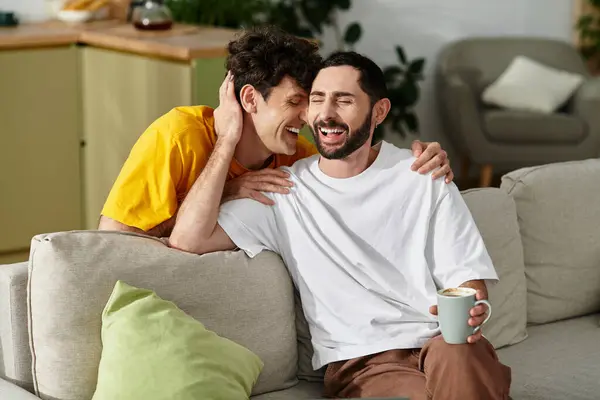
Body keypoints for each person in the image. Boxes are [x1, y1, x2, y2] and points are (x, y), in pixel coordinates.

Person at [168, 50, 511, 400]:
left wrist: (473, 311)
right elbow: (187, 239)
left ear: (379, 111)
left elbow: (468, 281)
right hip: (366, 363)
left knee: (461, 355)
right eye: (317, 100)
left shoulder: (423, 175)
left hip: (444, 347)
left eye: (344, 100)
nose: (326, 114)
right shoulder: (284, 192)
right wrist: (227, 139)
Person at [98, 26, 454, 238]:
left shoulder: (297, 155)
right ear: (250, 98)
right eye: (297, 101)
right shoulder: (179, 135)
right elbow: (112, 241)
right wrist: (228, 186)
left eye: (310, 100)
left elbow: (361, 189)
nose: (310, 115)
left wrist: (418, 161)